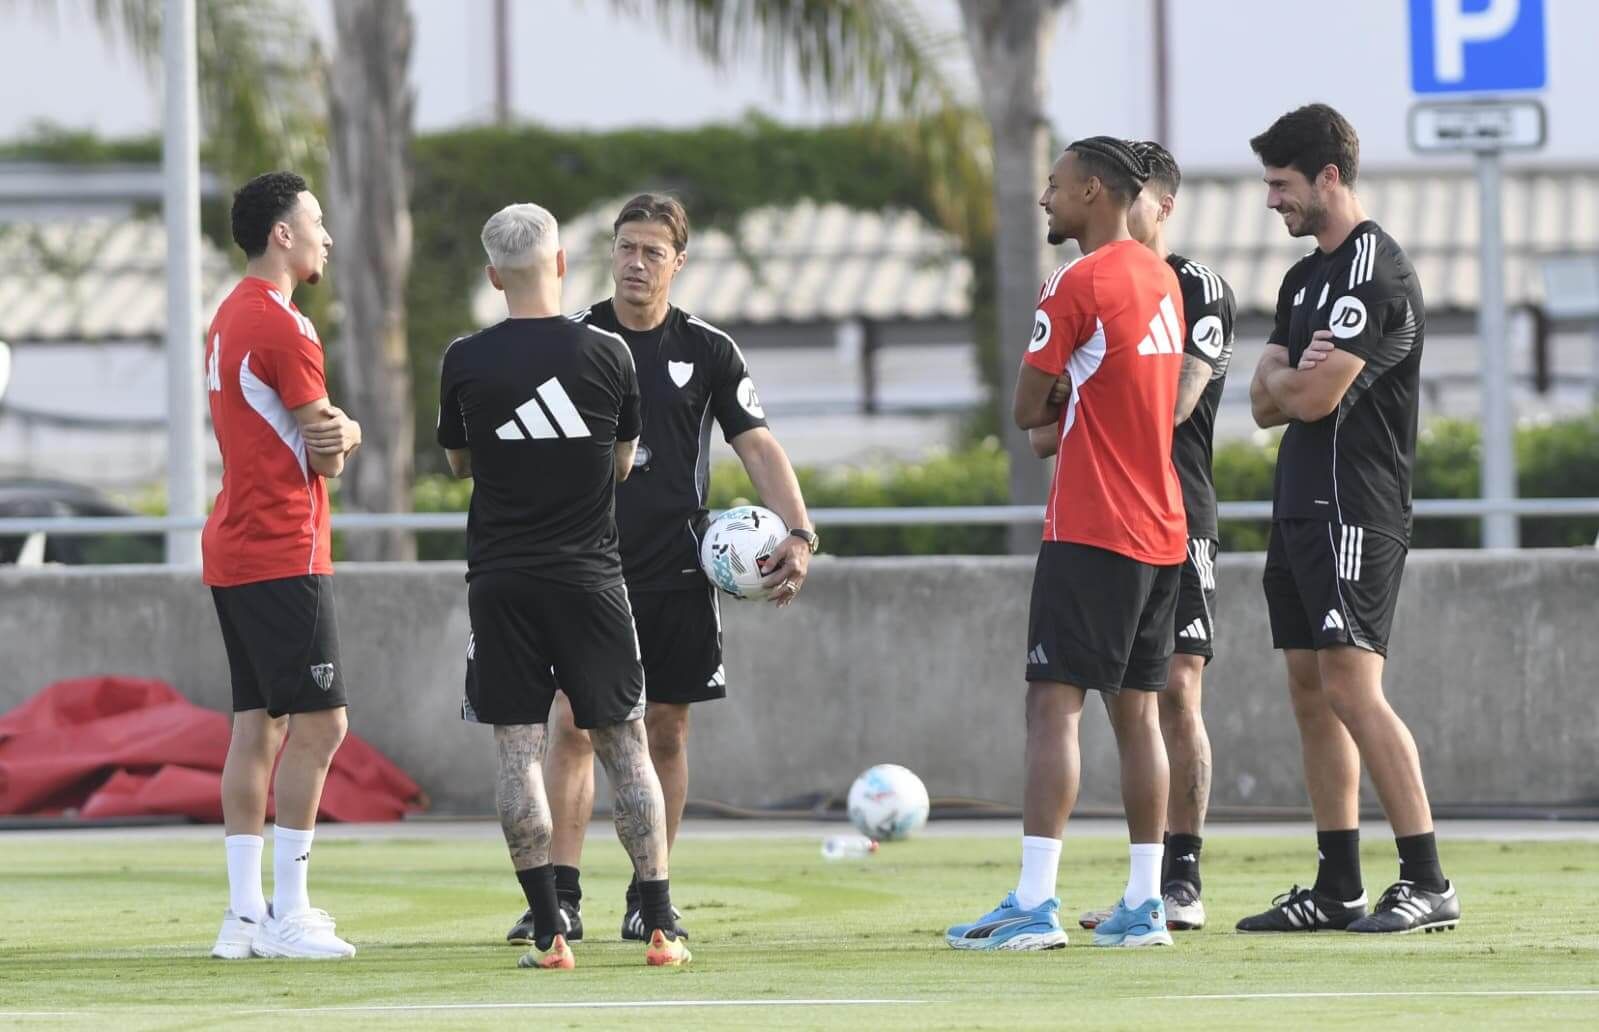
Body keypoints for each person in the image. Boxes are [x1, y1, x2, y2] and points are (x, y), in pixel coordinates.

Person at [518, 194, 815, 945]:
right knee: (573, 723)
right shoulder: (573, 340)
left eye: (653, 251)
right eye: (625, 247)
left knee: (667, 731)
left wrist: (800, 531)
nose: (636, 262)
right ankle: (560, 896)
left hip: (678, 572)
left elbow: (757, 443)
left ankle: (648, 895)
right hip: (583, 568)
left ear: (678, 262)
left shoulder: (708, 349)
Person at [946, 137, 1188, 951]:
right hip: (1161, 528)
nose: (1044, 199)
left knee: (1052, 705)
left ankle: (1034, 901)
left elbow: (1025, 411)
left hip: (1092, 524)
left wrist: (1058, 402)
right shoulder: (1160, 277)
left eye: (1054, 185)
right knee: (1138, 714)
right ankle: (1144, 904)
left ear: (1092, 191)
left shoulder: (1077, 280)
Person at [439, 202, 689, 969]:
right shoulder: (608, 353)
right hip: (591, 578)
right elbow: (622, 464)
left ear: (493, 276)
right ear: (559, 264)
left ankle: (550, 930)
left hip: (502, 579)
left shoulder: (464, 359)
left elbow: (458, 463)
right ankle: (658, 925)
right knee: (625, 744)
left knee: (518, 750)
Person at [1240, 103, 1458, 934]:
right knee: (1308, 690)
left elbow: (1310, 397)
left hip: (1354, 509)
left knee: (1352, 689)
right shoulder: (1303, 282)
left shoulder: (1375, 271)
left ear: (1327, 176)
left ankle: (1428, 880)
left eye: (1281, 185)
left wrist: (1286, 379)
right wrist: (1284, 377)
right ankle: (1337, 887)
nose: (1272, 201)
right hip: (1297, 507)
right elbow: (1262, 403)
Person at [1037, 141, 1236, 934]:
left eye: (1143, 196)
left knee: (1174, 689)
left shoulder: (1191, 285)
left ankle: (1177, 878)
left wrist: (1082, 384)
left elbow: (1174, 404)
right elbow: (1040, 426)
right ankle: (1142, 890)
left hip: (1175, 511)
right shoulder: (1085, 284)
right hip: (1108, 514)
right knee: (1123, 702)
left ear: (1160, 204)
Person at [204, 171, 362, 960]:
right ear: (282, 234)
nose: (326, 236)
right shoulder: (281, 323)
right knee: (322, 723)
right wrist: (350, 431)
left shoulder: (229, 313)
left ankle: (244, 915)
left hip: (233, 544)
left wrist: (335, 427)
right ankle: (289, 912)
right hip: (280, 545)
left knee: (256, 726)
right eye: (316, 220)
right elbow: (325, 451)